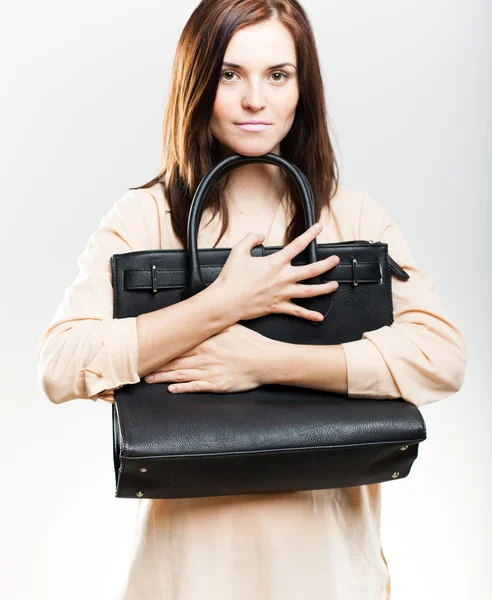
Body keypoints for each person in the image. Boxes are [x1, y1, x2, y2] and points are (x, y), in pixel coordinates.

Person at [36, 1, 468, 598]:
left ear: (302, 87)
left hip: (329, 573)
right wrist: (222, 303)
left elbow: (442, 358)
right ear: (197, 82)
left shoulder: (350, 215)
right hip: (187, 576)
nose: (255, 100)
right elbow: (59, 366)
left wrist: (264, 363)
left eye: (278, 75)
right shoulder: (147, 217)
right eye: (230, 74)